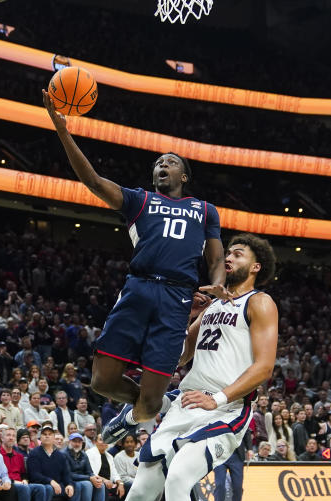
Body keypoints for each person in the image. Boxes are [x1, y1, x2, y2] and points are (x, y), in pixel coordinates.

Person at [60, 233, 277, 501]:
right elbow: (177, 356)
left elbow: (264, 366)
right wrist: (183, 316)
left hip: (224, 407)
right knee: (141, 492)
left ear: (256, 266)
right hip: (185, 403)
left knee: (179, 478)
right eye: (227, 252)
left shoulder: (259, 302)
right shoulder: (211, 307)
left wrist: (220, 397)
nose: (228, 257)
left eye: (238, 254)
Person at [43, 91, 228, 448]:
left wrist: (218, 284)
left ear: (184, 175)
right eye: (158, 162)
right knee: (101, 382)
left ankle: (139, 414)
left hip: (177, 298)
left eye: (170, 162)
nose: (161, 165)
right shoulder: (140, 200)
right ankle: (142, 410)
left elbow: (216, 260)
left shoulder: (205, 210)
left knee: (151, 403)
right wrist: (63, 131)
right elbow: (94, 182)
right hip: (138, 289)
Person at [0, 425, 49, 501]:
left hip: (20, 483)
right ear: (2, 438)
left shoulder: (19, 456)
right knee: (24, 488)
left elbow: (23, 473)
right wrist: (17, 482)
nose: (11, 438)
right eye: (8, 435)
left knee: (40, 488)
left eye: (13, 436)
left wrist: (25, 479)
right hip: (7, 484)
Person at [214, 422, 251, 501]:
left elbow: (246, 431)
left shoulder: (239, 412)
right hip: (220, 454)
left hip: (237, 455)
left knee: (238, 487)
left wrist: (249, 448)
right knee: (220, 485)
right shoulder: (217, 412)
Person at [64, 432, 103, 501]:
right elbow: (68, 474)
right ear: (69, 442)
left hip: (83, 479)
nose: (77, 444)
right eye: (74, 441)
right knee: (87, 485)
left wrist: (95, 478)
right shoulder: (64, 454)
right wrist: (89, 478)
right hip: (69, 480)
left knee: (100, 485)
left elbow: (89, 471)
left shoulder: (84, 455)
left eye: (79, 442)